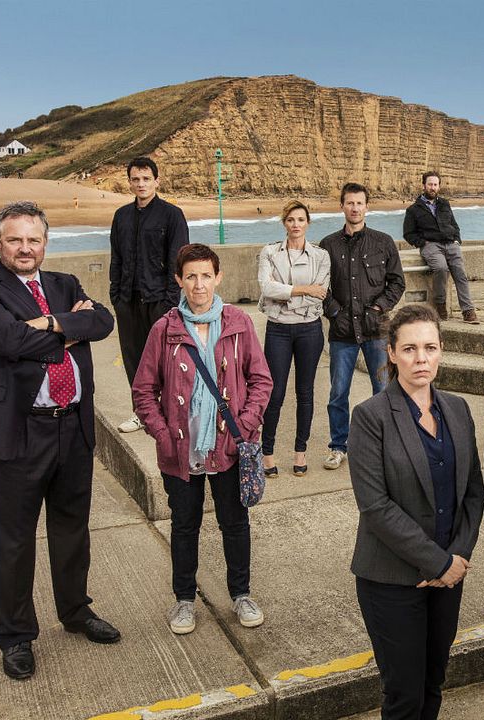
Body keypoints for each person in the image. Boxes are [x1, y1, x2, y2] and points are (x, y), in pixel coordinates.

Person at [0, 201, 119, 680]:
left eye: (34, 239)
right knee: (12, 540)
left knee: (72, 528)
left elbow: (104, 322)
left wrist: (50, 323)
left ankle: (75, 611)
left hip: (73, 424)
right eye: (15, 239)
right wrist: (71, 329)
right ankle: (15, 637)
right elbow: (8, 341)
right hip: (19, 428)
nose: (25, 248)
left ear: (45, 243)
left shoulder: (64, 285)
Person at [348, 303, 484, 719]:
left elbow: (474, 493)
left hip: (449, 576)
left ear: (442, 349)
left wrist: (458, 558)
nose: (420, 359)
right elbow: (375, 506)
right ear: (391, 353)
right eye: (409, 349)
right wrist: (437, 562)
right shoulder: (370, 417)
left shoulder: (458, 410)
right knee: (404, 696)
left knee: (433, 684)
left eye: (429, 347)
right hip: (391, 580)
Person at [132, 243, 273, 636]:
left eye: (205, 275)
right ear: (178, 280)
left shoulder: (238, 323)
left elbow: (260, 380)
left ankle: (241, 594)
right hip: (181, 450)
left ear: (218, 277)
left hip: (228, 446)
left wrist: (245, 426)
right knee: (184, 524)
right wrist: (162, 435)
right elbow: (144, 389)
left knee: (235, 522)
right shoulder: (165, 329)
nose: (198, 285)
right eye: (190, 276)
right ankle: (184, 600)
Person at [319, 182, 406, 471]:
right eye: (349, 203)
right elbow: (321, 286)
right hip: (342, 333)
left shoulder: (383, 242)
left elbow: (397, 282)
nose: (354, 208)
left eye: (359, 203)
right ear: (341, 206)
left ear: (367, 206)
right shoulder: (328, 245)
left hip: (376, 330)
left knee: (382, 388)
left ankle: (383, 444)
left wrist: (379, 307)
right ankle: (338, 446)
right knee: (338, 392)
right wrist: (334, 312)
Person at [110, 156, 190, 433]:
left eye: (146, 178)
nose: (141, 184)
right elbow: (116, 258)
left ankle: (168, 413)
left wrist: (170, 300)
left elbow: (178, 260)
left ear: (157, 181)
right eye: (135, 179)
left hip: (160, 301)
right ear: (130, 182)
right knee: (133, 360)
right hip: (128, 300)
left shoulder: (171, 215)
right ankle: (141, 412)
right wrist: (116, 297)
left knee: (164, 360)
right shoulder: (121, 216)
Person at [257, 200, 331, 477]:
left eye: (301, 220)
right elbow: (266, 287)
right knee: (274, 393)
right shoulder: (269, 252)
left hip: (309, 329)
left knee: (305, 392)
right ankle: (267, 453)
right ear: (284, 223)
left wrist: (285, 294)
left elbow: (321, 291)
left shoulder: (321, 256)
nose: (296, 224)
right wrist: (303, 289)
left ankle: (300, 453)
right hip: (277, 328)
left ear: (307, 223)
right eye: (290, 220)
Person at [403, 171, 479, 324]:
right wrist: (422, 243)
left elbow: (454, 225)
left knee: (460, 274)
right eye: (430, 184)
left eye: (435, 185)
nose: (432, 187)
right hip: (431, 246)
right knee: (440, 268)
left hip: (451, 244)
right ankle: (440, 305)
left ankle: (468, 310)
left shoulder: (444, 204)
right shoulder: (413, 210)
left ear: (439, 186)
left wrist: (457, 240)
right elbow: (408, 233)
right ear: (424, 185)